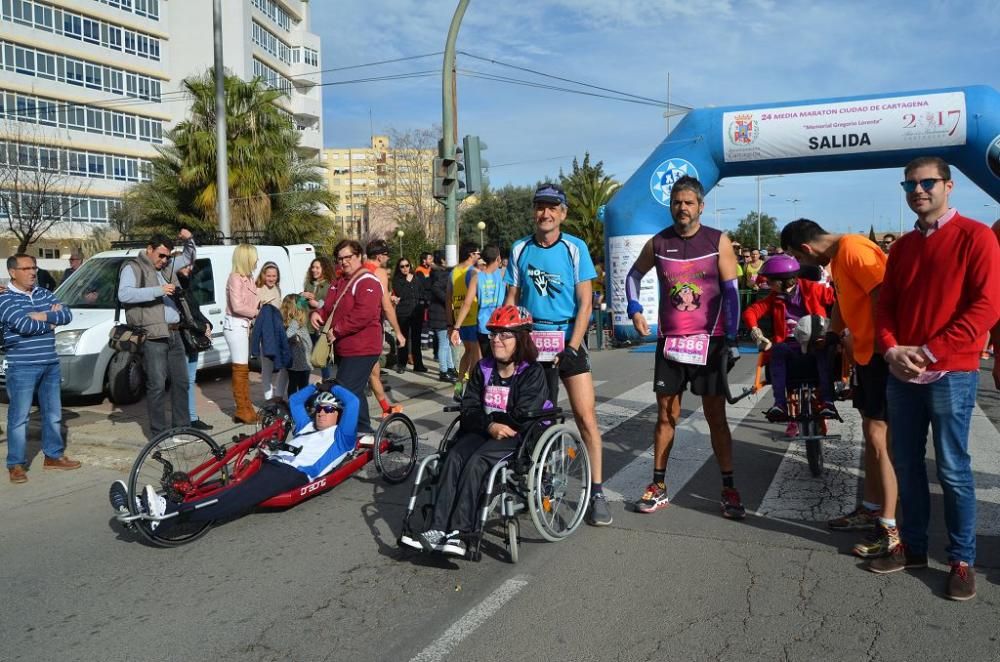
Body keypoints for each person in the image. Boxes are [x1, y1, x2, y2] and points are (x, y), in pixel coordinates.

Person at [869, 156, 1000, 600]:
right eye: (909, 185)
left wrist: (928, 352)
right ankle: (914, 548)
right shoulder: (903, 247)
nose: (918, 191)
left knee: (953, 470)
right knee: (905, 463)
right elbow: (885, 306)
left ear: (948, 186)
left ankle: (962, 559)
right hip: (903, 371)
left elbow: (986, 307)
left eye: (927, 182)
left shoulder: (976, 237)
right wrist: (890, 348)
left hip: (952, 371)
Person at [624, 175, 745, 520]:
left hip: (710, 342)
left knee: (715, 418)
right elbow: (633, 276)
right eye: (677, 202)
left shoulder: (717, 241)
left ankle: (729, 488)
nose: (682, 208)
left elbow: (732, 293)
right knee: (666, 416)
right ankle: (658, 486)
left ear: (701, 206)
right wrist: (635, 310)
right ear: (671, 206)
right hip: (671, 343)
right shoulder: (659, 243)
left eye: (689, 202)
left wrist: (732, 339)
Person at [781, 218, 897, 559]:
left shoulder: (854, 250)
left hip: (880, 356)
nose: (800, 267)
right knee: (870, 433)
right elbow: (843, 303)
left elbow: (884, 298)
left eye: (796, 258)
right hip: (865, 356)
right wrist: (833, 335)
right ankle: (871, 508)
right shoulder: (838, 258)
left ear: (805, 249)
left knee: (879, 439)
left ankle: (890, 528)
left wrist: (883, 347)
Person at [400, 305, 550, 555]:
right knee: (455, 456)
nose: (496, 340)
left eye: (503, 335)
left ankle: (460, 533)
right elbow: (469, 406)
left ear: (521, 338)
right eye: (493, 334)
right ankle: (437, 528)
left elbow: (523, 413)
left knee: (477, 462)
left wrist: (497, 424)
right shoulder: (483, 368)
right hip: (485, 431)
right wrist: (489, 424)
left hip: (517, 436)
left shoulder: (531, 372)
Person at [110, 382, 360, 530]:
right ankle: (143, 505)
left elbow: (354, 403)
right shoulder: (307, 426)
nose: (321, 413)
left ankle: (166, 515)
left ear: (338, 414)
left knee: (236, 496)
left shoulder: (342, 437)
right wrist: (316, 387)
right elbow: (295, 401)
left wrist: (334, 387)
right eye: (318, 408)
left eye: (328, 409)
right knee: (223, 484)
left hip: (294, 474)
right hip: (273, 462)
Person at [505, 182, 612, 526]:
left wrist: (572, 345)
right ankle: (539, 481)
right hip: (532, 340)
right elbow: (511, 302)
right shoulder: (520, 249)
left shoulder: (575, 248)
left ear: (563, 213)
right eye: (540, 206)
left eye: (553, 207)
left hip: (568, 337)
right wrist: (507, 341)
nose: (545, 213)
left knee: (585, 416)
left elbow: (586, 303)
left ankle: (597, 492)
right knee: (533, 416)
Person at [0, 254, 80, 483]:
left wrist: (44, 315)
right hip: (22, 366)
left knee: (54, 414)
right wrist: (51, 322)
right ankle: (15, 464)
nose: (32, 272)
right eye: (26, 268)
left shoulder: (44, 293)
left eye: (34, 267)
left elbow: (67, 314)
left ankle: (53, 457)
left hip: (50, 363)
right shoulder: (5, 300)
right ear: (13, 272)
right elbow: (23, 325)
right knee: (19, 418)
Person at [742, 254, 838, 422]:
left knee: (823, 350)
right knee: (777, 350)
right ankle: (780, 404)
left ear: (784, 280)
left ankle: (828, 403)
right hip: (788, 345)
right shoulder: (774, 296)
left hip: (815, 341)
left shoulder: (814, 289)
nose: (768, 284)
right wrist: (756, 332)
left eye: (771, 281)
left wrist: (836, 329)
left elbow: (839, 300)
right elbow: (751, 311)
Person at [118, 234, 191, 438]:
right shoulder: (133, 267)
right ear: (149, 249)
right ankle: (159, 433)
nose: (164, 260)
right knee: (157, 385)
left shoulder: (166, 268)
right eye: (161, 255)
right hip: (152, 335)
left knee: (181, 382)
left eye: (167, 256)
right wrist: (157, 291)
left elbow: (188, 257)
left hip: (175, 332)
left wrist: (190, 240)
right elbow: (124, 294)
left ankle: (182, 428)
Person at [311, 240, 383, 435]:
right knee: (355, 391)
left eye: (348, 257)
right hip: (345, 347)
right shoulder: (340, 282)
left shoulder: (368, 281)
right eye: (340, 258)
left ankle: (349, 433)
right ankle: (363, 430)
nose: (343, 262)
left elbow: (364, 313)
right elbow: (330, 306)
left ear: (359, 256)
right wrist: (319, 314)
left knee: (345, 392)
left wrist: (338, 329)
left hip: (364, 347)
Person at [363, 240, 405, 417]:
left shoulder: (358, 270)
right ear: (379, 256)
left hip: (354, 326)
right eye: (386, 255)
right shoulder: (379, 272)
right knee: (371, 371)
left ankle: (384, 408)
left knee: (373, 370)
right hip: (370, 326)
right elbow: (386, 306)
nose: (388, 258)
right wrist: (398, 332)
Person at [176, 258, 214, 431]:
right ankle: (184, 418)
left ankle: (191, 417)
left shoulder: (187, 287)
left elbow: (195, 311)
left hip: (192, 338)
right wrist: (201, 327)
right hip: (182, 338)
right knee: (183, 380)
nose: (189, 269)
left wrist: (207, 325)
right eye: (185, 266)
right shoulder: (173, 288)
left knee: (190, 379)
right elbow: (182, 316)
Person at [224, 244, 260, 424]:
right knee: (240, 369)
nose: (257, 260)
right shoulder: (235, 278)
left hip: (243, 325)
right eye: (254, 257)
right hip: (236, 325)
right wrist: (256, 312)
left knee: (243, 369)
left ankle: (246, 407)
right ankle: (242, 408)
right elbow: (237, 306)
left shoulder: (249, 278)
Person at [452, 245, 504, 359]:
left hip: (484, 325)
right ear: (498, 258)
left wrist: (456, 328)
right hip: (501, 324)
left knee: (487, 360)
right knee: (500, 361)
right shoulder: (503, 274)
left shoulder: (476, 278)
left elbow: (466, 304)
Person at [448, 243, 482, 398]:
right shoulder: (473, 272)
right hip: (473, 317)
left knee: (468, 353)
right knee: (476, 356)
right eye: (477, 253)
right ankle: (473, 391)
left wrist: (451, 324)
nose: (479, 256)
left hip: (459, 320)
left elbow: (448, 300)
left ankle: (458, 385)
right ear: (471, 254)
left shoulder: (453, 272)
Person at [255, 261, 287, 401]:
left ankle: (279, 395)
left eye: (274, 276)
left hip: (279, 331)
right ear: (263, 275)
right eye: (269, 275)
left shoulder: (277, 289)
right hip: (266, 333)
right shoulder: (258, 289)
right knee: (267, 368)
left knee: (285, 364)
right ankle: (269, 399)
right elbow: (255, 312)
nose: (271, 278)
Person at [391, 256, 428, 374]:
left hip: (416, 313)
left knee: (417, 339)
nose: (405, 268)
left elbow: (422, 292)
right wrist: (407, 281)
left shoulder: (416, 278)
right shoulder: (397, 280)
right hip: (403, 313)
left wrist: (423, 305)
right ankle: (401, 364)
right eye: (402, 266)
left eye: (407, 265)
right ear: (399, 268)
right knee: (403, 339)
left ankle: (419, 364)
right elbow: (400, 293)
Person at [302, 256, 336, 380]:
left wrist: (317, 304)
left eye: (317, 268)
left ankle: (326, 383)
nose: (314, 270)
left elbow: (331, 306)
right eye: (313, 267)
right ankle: (303, 385)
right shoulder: (309, 284)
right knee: (306, 359)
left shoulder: (330, 285)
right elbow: (300, 305)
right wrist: (302, 296)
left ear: (324, 269)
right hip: (307, 327)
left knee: (322, 358)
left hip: (321, 327)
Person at [428, 250, 456, 383]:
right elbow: (436, 288)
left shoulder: (440, 273)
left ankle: (450, 368)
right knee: (444, 344)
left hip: (441, 313)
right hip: (440, 314)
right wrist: (448, 300)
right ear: (443, 261)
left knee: (448, 343)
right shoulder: (443, 274)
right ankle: (443, 371)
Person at [280, 294, 313, 396]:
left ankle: (296, 405)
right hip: (301, 362)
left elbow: (286, 336)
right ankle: (301, 406)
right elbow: (288, 336)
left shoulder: (295, 322)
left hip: (301, 362)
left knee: (295, 386)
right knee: (301, 386)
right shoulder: (297, 322)